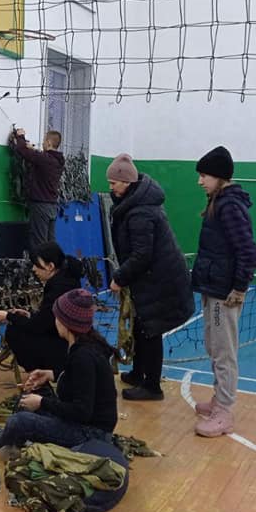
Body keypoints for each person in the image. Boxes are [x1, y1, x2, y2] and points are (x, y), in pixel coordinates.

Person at [0, 289, 118, 450]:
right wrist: (50, 375)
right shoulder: (86, 344)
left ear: (65, 322)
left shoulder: (83, 356)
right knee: (30, 396)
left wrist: (42, 403)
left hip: (90, 433)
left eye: (56, 317)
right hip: (85, 423)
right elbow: (82, 382)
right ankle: (23, 438)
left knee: (20, 421)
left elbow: (81, 411)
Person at [106, 153, 194, 402]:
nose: (110, 188)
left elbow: (142, 255)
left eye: (114, 183)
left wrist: (119, 278)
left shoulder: (141, 213)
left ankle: (152, 386)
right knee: (141, 325)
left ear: (127, 183)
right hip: (150, 278)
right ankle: (138, 372)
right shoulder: (133, 206)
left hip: (161, 279)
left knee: (150, 329)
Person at [191, 146, 256, 437]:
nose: (199, 181)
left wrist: (239, 288)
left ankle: (224, 413)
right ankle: (218, 398)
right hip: (213, 286)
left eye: (204, 175)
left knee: (223, 351)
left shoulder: (230, 207)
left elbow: (247, 251)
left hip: (225, 292)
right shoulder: (218, 202)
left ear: (219, 176)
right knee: (213, 345)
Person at [0, 241, 83, 376]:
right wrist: (30, 315)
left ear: (50, 266)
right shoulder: (68, 279)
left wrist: (8, 316)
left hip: (64, 348)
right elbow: (47, 319)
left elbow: (39, 326)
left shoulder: (58, 288)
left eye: (37, 265)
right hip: (73, 342)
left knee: (14, 332)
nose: (33, 269)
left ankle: (40, 377)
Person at [12, 128, 65, 250]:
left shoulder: (45, 159)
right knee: (50, 243)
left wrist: (20, 136)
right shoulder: (57, 160)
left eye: (44, 141)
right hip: (52, 206)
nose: (42, 143)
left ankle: (40, 267)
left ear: (49, 143)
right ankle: (52, 268)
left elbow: (22, 150)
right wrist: (34, 150)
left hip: (41, 206)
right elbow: (40, 157)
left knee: (39, 244)